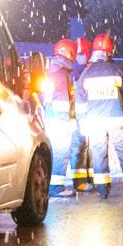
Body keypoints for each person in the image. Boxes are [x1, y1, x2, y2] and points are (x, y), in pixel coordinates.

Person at [74, 33, 123, 198]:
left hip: (94, 123)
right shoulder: (117, 70)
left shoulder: (86, 73)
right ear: (110, 51)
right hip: (117, 121)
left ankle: (102, 191)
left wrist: (82, 122)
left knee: (99, 156)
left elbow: (80, 104)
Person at [45, 38, 89, 197]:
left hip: (52, 117)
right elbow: (63, 102)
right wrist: (69, 121)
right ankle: (56, 188)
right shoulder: (62, 74)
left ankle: (52, 186)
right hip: (60, 120)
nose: (73, 57)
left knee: (57, 152)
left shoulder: (53, 71)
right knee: (61, 152)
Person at [71, 36, 93, 191]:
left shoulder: (75, 70)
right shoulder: (80, 71)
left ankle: (88, 179)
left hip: (83, 113)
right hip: (79, 114)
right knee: (80, 146)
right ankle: (80, 182)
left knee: (87, 146)